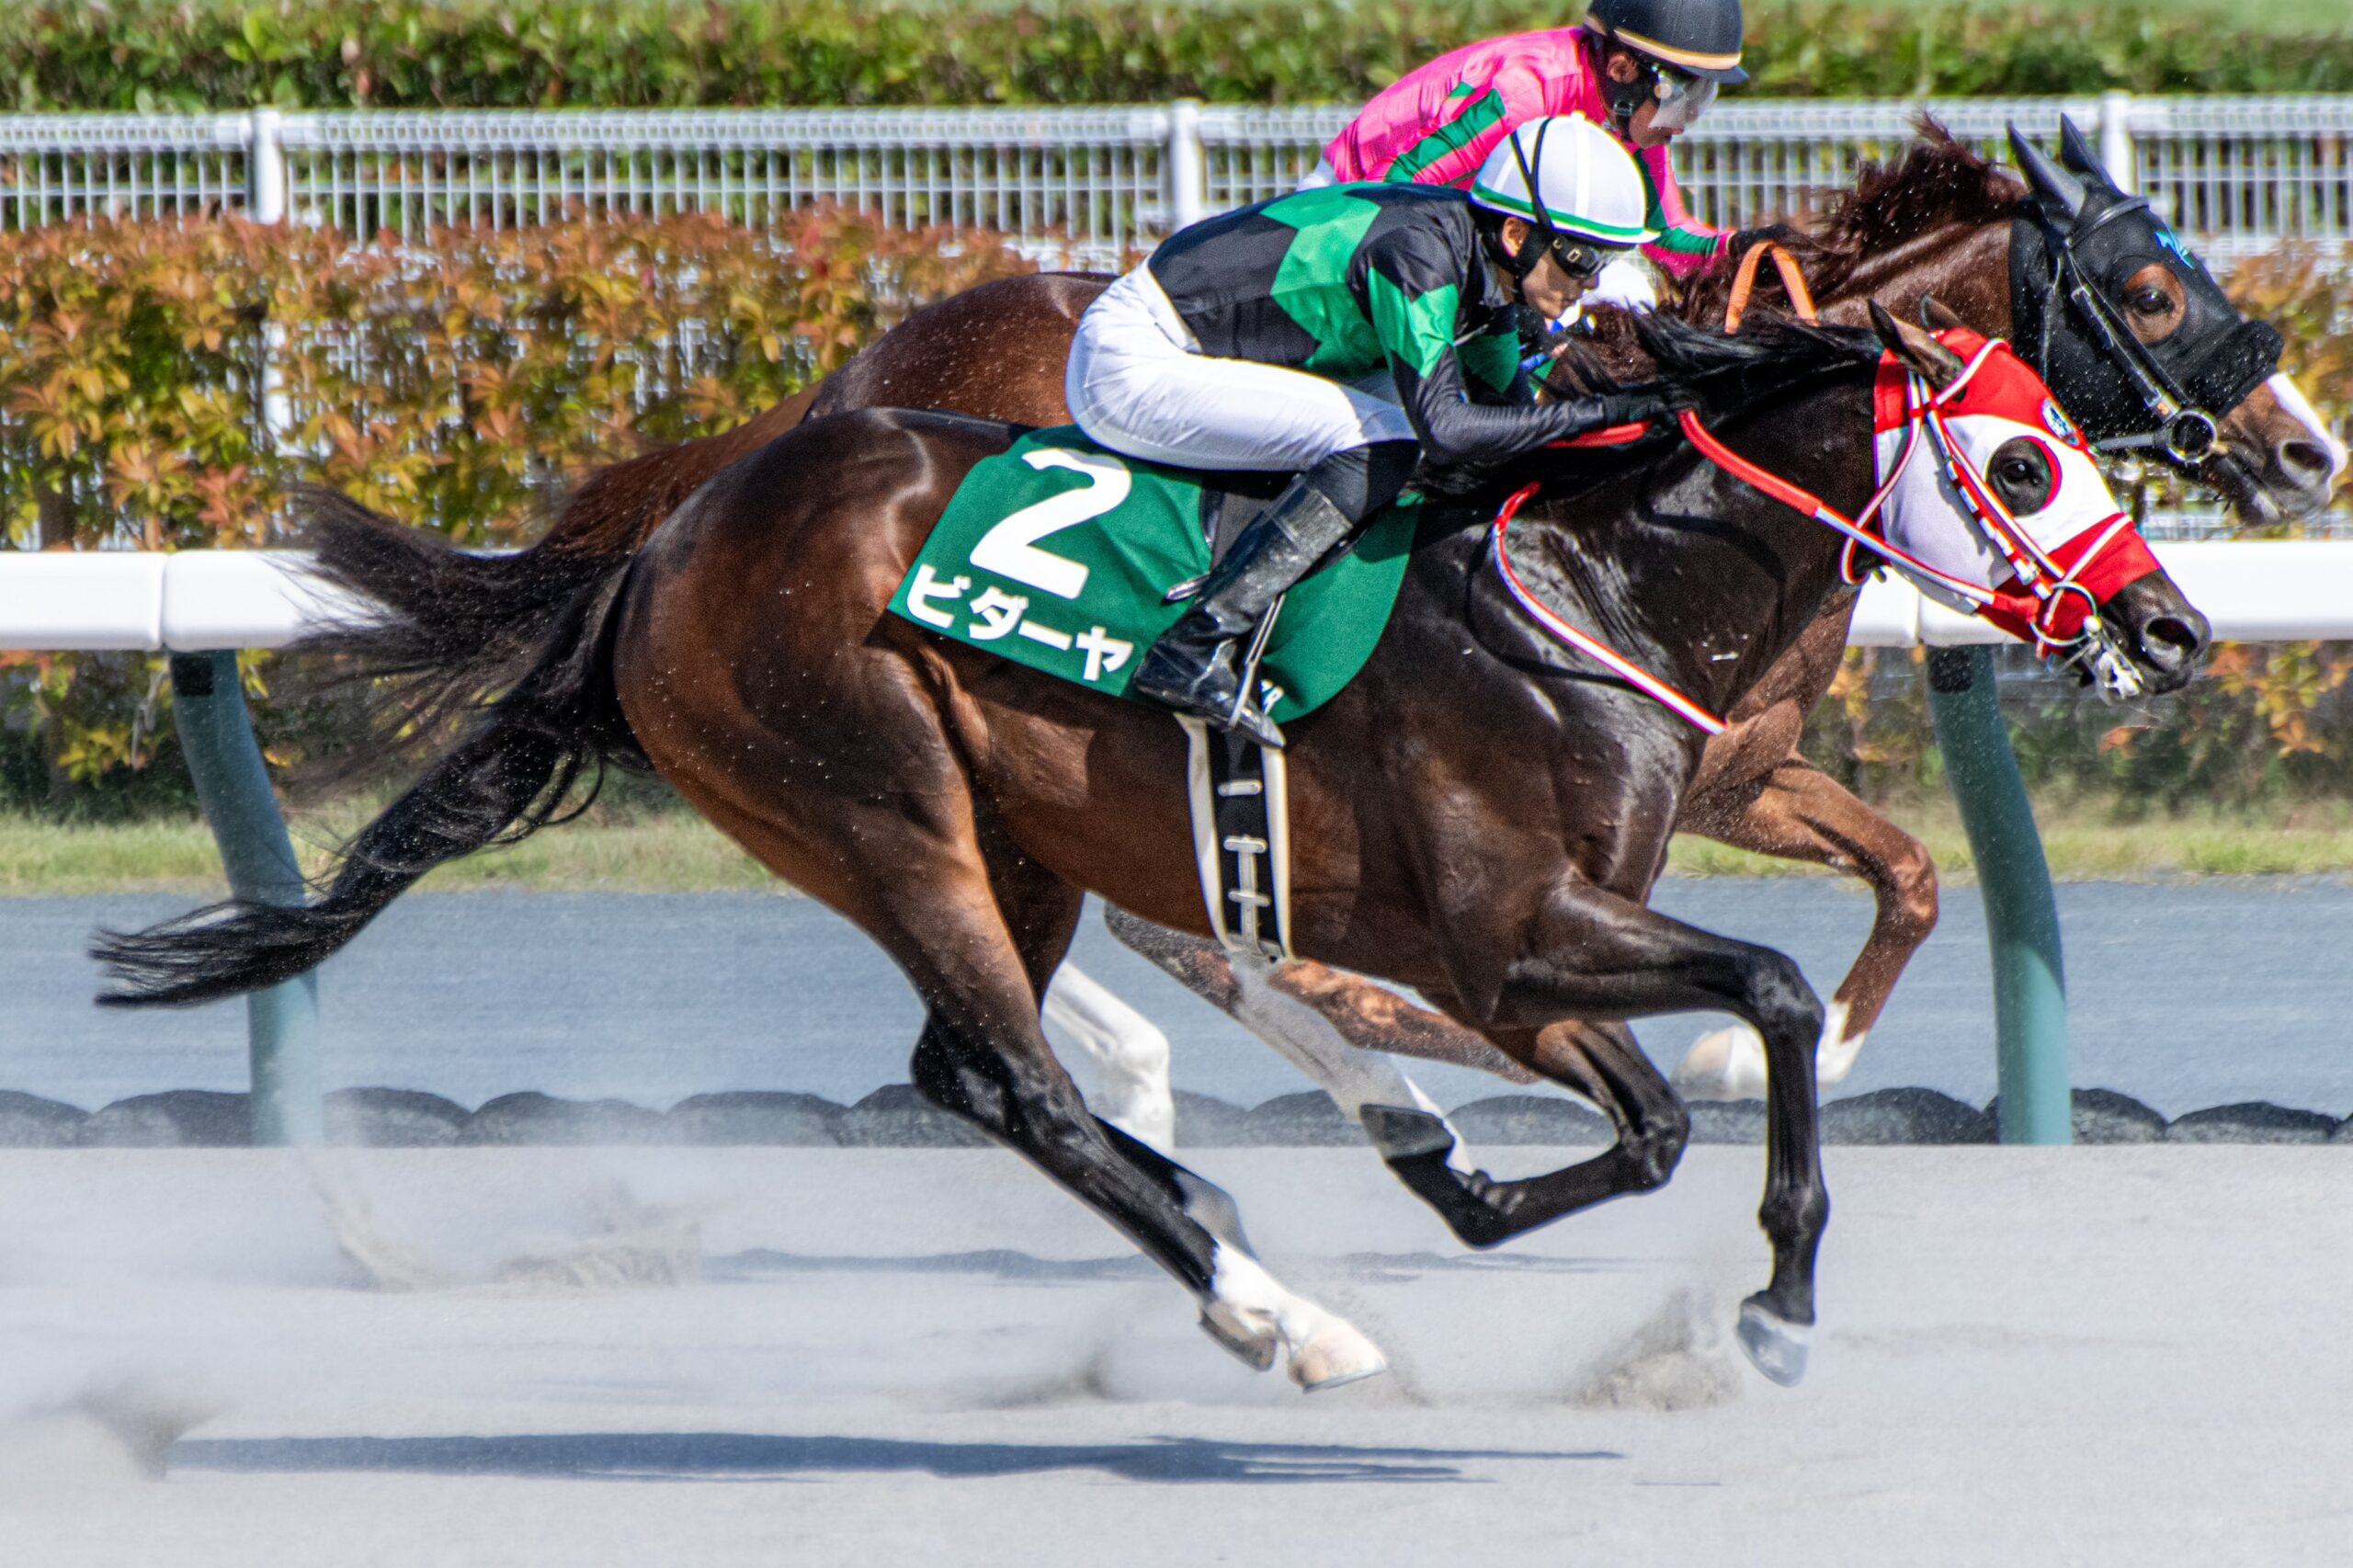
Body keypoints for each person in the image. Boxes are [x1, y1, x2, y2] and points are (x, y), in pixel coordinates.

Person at [1066, 116, 1689, 746]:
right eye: (1581, 258)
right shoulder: (1418, 255)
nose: (1589, 282)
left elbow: (1509, 423)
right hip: (1132, 361)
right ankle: (1196, 643)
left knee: (1419, 434)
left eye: (1602, 262)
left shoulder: (1484, 264)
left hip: (1196, 352)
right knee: (1390, 437)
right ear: (1515, 232)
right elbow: (1447, 429)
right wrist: (1602, 412)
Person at [1306, 0, 1790, 289]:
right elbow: (1395, 190)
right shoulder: (1527, 92)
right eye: (1683, 97)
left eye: (1703, 98)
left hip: (1441, 222)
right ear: (1623, 70)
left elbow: (1664, 238)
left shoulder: (1627, 113)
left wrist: (1744, 248)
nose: (1683, 124)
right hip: (1342, 208)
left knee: (1625, 292)